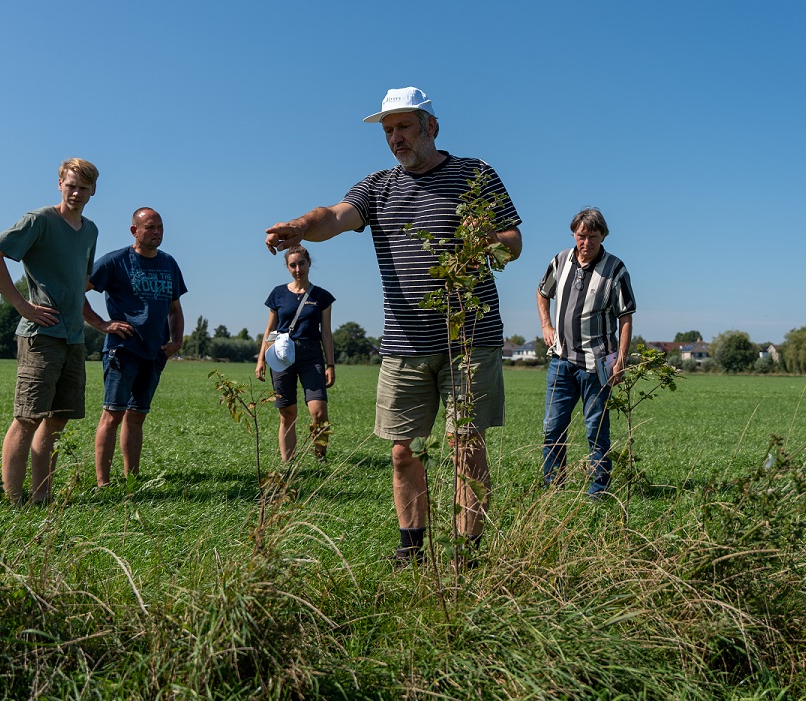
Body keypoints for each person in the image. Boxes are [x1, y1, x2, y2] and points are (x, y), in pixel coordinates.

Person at [264, 87, 522, 565]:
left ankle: (468, 554)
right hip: (404, 341)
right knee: (402, 451)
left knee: (465, 444)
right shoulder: (378, 186)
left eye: (404, 127)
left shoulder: (475, 174)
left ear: (431, 127)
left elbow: (513, 242)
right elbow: (336, 216)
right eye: (388, 131)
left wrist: (479, 238)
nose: (396, 138)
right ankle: (411, 549)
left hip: (467, 338)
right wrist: (301, 225)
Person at [0, 158, 99, 505]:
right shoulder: (39, 221)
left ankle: (42, 495)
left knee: (58, 420)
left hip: (74, 337)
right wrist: (22, 305)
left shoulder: (90, 230)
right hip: (40, 335)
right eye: (70, 185)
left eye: (83, 187)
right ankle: (13, 500)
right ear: (60, 183)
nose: (76, 192)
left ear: (93, 191)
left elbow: (80, 282)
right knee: (28, 417)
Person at [83, 207, 185, 485]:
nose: (157, 233)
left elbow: (175, 308)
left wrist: (177, 341)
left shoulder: (169, 264)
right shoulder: (115, 262)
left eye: (160, 227)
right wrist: (102, 324)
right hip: (123, 350)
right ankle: (103, 482)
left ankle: (132, 478)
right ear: (134, 231)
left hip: (155, 352)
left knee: (137, 415)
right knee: (112, 413)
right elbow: (77, 290)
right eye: (150, 228)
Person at [537, 207, 635, 498]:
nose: (586, 243)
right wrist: (545, 325)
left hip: (597, 364)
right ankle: (553, 488)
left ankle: (598, 492)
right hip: (560, 360)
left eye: (593, 237)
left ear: (603, 236)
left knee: (596, 431)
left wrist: (621, 358)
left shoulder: (616, 269)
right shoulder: (560, 260)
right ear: (573, 235)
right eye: (581, 236)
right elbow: (543, 293)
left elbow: (626, 316)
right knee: (552, 428)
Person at [255, 245, 336, 463]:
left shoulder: (322, 297)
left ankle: (320, 457)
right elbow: (270, 330)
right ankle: (287, 465)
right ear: (287, 267)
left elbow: (326, 333)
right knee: (287, 414)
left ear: (309, 263)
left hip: (311, 356)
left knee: (318, 411)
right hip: (281, 357)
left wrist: (330, 364)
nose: (298, 269)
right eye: (293, 265)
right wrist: (261, 359)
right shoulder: (278, 294)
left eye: (301, 263)